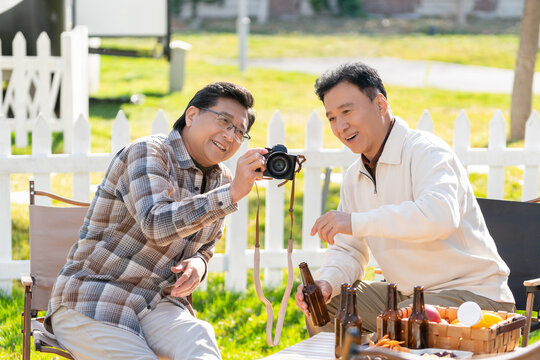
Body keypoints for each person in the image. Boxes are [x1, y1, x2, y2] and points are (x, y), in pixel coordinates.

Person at [44, 82, 268, 359]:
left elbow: (205, 249)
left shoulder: (221, 179)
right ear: (191, 115)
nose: (230, 135)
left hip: (156, 304)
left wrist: (198, 264)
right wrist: (231, 194)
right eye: (224, 121)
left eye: (240, 132)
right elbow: (155, 223)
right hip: (94, 298)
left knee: (199, 341)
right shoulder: (148, 152)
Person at [294, 62, 515, 335]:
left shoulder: (427, 152)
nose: (340, 126)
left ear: (380, 105)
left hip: (472, 296)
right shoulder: (355, 176)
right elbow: (348, 250)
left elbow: (438, 216)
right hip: (409, 297)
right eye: (331, 118)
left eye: (347, 111)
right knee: (328, 309)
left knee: (392, 330)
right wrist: (326, 283)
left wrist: (356, 221)